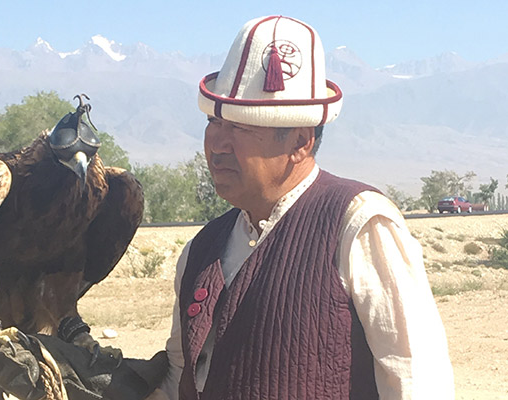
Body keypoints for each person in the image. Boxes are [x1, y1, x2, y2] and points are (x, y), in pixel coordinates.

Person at [155, 15, 455, 400]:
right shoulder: (202, 250)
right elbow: (179, 378)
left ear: (300, 141)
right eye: (214, 121)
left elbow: (417, 379)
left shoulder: (358, 225)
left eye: (242, 127)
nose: (217, 143)